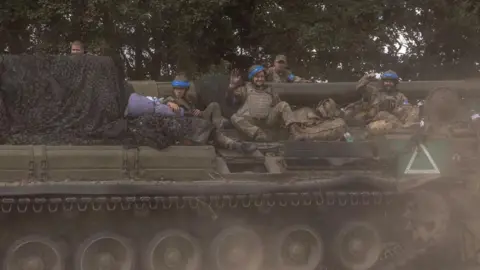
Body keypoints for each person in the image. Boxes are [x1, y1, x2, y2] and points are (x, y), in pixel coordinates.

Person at [124, 74, 256, 153]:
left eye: (181, 89)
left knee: (214, 106)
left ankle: (223, 135)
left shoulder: (189, 99)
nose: (178, 92)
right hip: (185, 126)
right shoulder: (170, 99)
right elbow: (164, 107)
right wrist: (170, 104)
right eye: (176, 89)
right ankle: (231, 143)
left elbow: (192, 112)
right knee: (211, 131)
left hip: (194, 121)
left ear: (186, 90)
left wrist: (198, 112)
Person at [228, 65, 298, 141]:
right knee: (234, 118)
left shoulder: (270, 90)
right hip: (250, 121)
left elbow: (279, 106)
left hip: (267, 121)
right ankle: (258, 133)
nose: (260, 79)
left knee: (283, 105)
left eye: (262, 77)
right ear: (252, 78)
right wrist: (232, 87)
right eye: (257, 77)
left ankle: (295, 133)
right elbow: (231, 101)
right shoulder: (245, 89)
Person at [345, 70, 419, 136]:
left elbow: (407, 106)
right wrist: (367, 78)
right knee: (382, 117)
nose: (388, 84)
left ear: (395, 83)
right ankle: (402, 128)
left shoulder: (400, 96)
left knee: (414, 109)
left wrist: (400, 110)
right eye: (386, 81)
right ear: (383, 82)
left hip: (396, 123)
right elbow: (360, 88)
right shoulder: (374, 92)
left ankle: (407, 129)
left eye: (391, 82)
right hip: (376, 122)